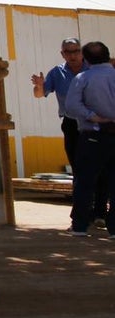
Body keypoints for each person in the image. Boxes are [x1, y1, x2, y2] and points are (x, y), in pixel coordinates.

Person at [32, 37, 105, 225]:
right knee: (78, 168)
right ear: (62, 53)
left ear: (82, 52)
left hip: (96, 123)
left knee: (102, 168)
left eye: (76, 51)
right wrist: (40, 85)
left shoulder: (93, 69)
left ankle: (100, 212)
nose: (73, 55)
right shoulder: (57, 72)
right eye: (68, 52)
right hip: (73, 124)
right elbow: (40, 94)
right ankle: (83, 213)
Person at [64, 41, 115, 237]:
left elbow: (71, 107)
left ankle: (80, 226)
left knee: (85, 181)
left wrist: (92, 116)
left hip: (93, 135)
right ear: (108, 55)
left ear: (85, 58)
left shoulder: (82, 78)